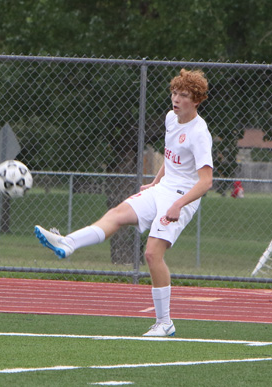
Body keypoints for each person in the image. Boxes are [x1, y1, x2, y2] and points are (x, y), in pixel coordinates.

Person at [35, 69, 213, 337]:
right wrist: (155, 183)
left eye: (184, 95)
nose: (176, 99)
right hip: (163, 189)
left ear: (197, 100)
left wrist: (178, 204)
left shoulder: (200, 133)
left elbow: (205, 181)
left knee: (152, 254)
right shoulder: (170, 119)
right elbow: (171, 157)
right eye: (174, 93)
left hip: (182, 197)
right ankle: (68, 243)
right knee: (116, 213)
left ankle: (164, 323)